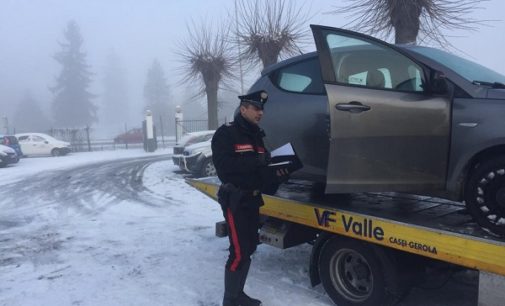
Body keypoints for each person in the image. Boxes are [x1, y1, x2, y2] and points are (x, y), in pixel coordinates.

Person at [211, 90, 288, 306]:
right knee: (239, 252)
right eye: (256, 108)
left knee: (249, 248)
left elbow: (261, 175)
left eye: (262, 109)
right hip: (235, 200)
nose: (260, 112)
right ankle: (230, 300)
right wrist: (258, 160)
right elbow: (224, 168)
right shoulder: (226, 134)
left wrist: (279, 175)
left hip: (253, 200)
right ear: (243, 108)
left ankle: (239, 294)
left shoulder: (257, 136)